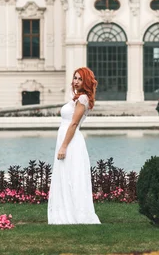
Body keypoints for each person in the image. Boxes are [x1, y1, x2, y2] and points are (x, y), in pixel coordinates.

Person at [48, 67, 100, 225]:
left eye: (79, 79)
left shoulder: (83, 99)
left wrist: (63, 146)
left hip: (70, 141)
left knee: (72, 176)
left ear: (86, 82)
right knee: (65, 175)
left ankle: (75, 213)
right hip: (66, 139)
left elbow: (74, 124)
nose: (75, 81)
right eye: (75, 78)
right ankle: (65, 210)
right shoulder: (77, 98)